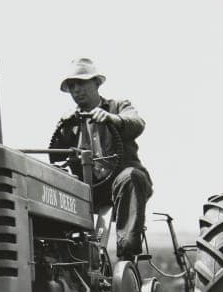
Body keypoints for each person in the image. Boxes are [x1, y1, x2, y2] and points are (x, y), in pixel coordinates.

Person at [49, 58, 153, 262]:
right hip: (88, 190)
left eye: (81, 83)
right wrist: (64, 128)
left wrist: (111, 119)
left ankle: (126, 256)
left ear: (96, 83)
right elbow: (56, 157)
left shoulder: (118, 106)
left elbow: (137, 124)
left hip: (119, 183)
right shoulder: (70, 121)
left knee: (131, 177)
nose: (77, 90)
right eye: (72, 86)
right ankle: (66, 258)